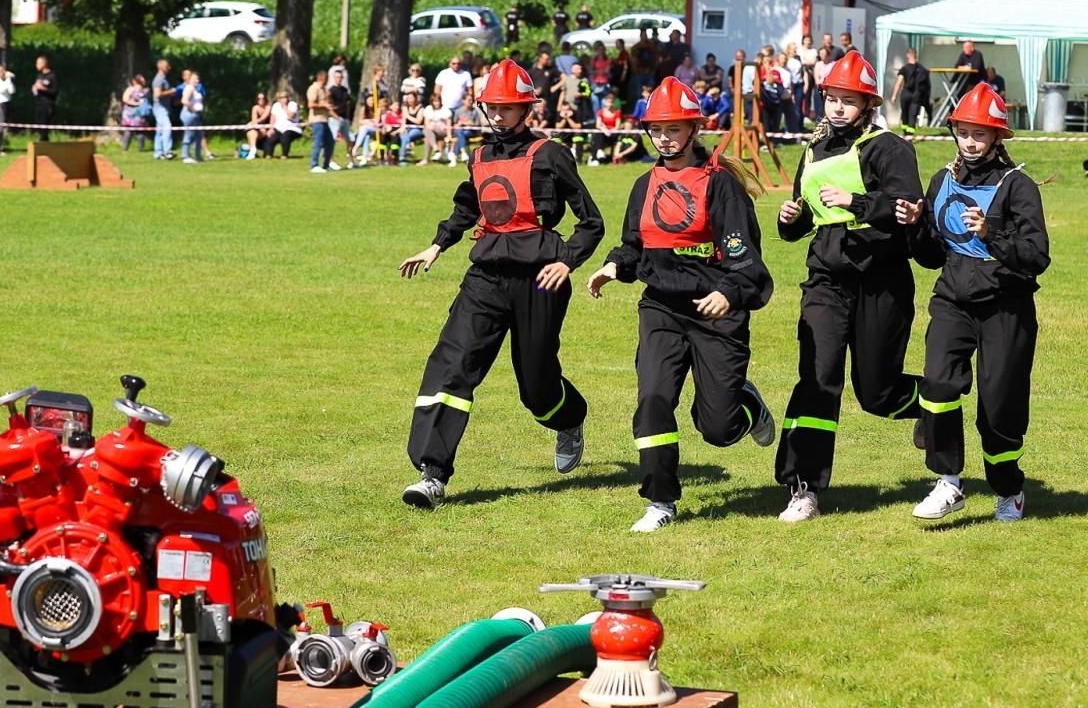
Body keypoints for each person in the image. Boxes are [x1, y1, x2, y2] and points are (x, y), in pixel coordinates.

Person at [395, 59, 603, 510]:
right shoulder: (480, 156)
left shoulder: (551, 154)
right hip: (484, 279)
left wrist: (566, 262)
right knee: (451, 364)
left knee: (537, 388)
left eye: (509, 107)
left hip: (541, 280)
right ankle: (432, 474)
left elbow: (591, 222)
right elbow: (466, 208)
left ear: (526, 108)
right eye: (494, 106)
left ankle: (570, 419)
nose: (500, 114)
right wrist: (437, 245)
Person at [586, 77, 775, 531]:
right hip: (661, 307)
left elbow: (747, 262)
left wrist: (726, 293)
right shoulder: (643, 183)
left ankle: (747, 405)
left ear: (694, 129)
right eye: (657, 129)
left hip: (717, 312)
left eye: (674, 128)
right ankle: (660, 502)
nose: (665, 138)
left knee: (717, 428)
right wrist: (614, 266)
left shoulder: (721, 185)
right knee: (652, 396)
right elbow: (634, 243)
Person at [772, 51, 925, 522]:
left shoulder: (890, 148)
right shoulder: (814, 148)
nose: (837, 108)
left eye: (848, 100)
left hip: (882, 278)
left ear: (868, 104)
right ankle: (803, 488)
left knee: (877, 393)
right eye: (832, 99)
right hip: (826, 277)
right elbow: (807, 218)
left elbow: (906, 206)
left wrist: (857, 202)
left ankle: (935, 405)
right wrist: (790, 220)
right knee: (818, 376)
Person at [903, 82, 1050, 522]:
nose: (970, 142)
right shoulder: (941, 181)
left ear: (998, 137)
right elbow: (931, 256)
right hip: (952, 300)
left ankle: (1009, 490)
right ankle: (948, 482)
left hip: (1006, 306)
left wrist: (991, 234)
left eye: (979, 134)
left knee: (999, 408)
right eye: (963, 132)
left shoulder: (1018, 186)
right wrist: (915, 226)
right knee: (939, 385)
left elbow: (1037, 257)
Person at [890, 49, 930, 136]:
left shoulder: (904, 68)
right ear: (916, 55)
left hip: (906, 94)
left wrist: (894, 95)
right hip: (917, 95)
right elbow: (926, 85)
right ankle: (910, 136)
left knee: (905, 114)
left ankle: (905, 133)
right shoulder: (922, 69)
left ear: (908, 55)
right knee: (913, 115)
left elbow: (899, 82)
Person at [307, 70, 338, 173]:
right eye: (327, 78)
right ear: (322, 78)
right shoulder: (314, 88)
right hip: (317, 120)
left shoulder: (324, 89)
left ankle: (326, 164)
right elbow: (311, 104)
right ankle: (314, 165)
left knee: (330, 142)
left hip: (325, 120)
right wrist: (324, 105)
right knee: (318, 143)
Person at [179, 70, 206, 163]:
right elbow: (184, 100)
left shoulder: (196, 89)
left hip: (196, 116)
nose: (197, 80)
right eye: (195, 79)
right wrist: (193, 109)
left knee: (199, 135)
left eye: (198, 79)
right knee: (189, 134)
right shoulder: (189, 88)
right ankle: (185, 155)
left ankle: (198, 155)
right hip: (189, 114)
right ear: (190, 79)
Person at [266, 91, 302, 158]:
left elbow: (291, 116)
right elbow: (272, 118)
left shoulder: (292, 104)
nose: (284, 99)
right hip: (279, 127)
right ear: (278, 99)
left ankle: (284, 154)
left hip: (292, 127)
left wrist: (285, 107)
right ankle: (268, 155)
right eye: (281, 98)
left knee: (285, 136)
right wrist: (271, 129)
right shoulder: (275, 105)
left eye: (285, 97)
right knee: (272, 137)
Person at [120, 74, 150, 152]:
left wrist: (135, 104)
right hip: (140, 113)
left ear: (134, 81)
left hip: (130, 113)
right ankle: (141, 149)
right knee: (140, 131)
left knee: (128, 131)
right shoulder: (146, 90)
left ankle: (125, 149)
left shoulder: (131, 89)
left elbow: (125, 99)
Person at [31, 55, 58, 142]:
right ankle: (43, 143)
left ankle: (44, 144)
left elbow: (54, 91)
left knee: (44, 128)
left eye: (38, 63)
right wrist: (34, 90)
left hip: (48, 105)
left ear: (44, 63)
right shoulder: (39, 76)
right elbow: (37, 90)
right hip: (39, 104)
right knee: (39, 126)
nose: (36, 65)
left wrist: (43, 88)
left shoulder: (52, 76)